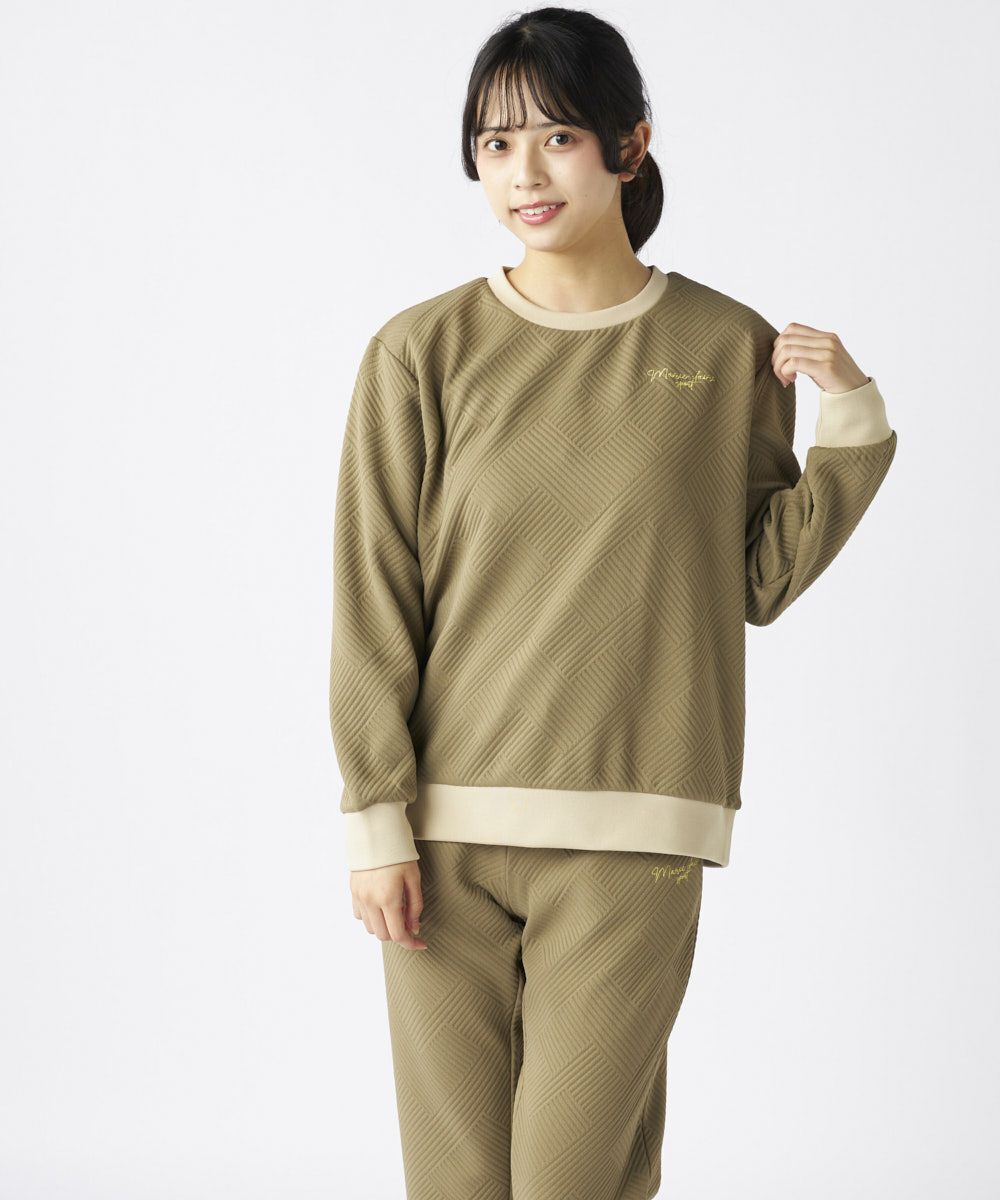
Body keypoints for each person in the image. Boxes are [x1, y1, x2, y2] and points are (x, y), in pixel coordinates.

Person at [328, 8, 898, 1198]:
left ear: (628, 144)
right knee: (454, 1184)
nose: (524, 175)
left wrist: (849, 423)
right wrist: (375, 818)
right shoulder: (420, 352)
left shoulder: (724, 346)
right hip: (441, 836)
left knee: (569, 1179)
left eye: (556, 138)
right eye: (494, 145)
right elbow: (374, 595)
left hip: (637, 826)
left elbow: (752, 580)